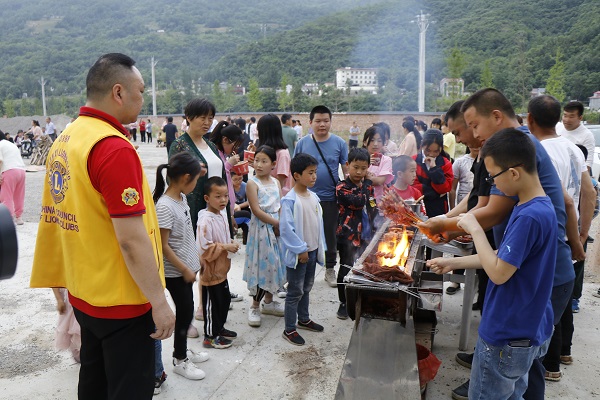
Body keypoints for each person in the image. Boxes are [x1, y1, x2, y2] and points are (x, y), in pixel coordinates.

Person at [29, 53, 175, 399]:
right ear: (119, 92)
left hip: (85, 291)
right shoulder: (112, 148)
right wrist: (158, 301)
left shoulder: (69, 137)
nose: (144, 97)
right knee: (128, 389)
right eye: (141, 90)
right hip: (121, 298)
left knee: (94, 384)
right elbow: (131, 240)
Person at [419, 88, 577, 399]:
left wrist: (455, 227)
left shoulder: (519, 173)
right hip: (526, 296)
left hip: (526, 301)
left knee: (519, 371)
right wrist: (452, 253)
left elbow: (493, 230)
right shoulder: (524, 191)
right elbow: (489, 221)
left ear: (495, 116)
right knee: (522, 369)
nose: (472, 135)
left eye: (473, 125)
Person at [527, 95, 595, 381]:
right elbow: (589, 193)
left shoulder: (539, 152)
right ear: (558, 119)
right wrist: (581, 233)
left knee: (547, 305)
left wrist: (572, 237)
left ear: (530, 120)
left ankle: (548, 365)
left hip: (553, 235)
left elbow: (565, 201)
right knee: (564, 299)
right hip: (571, 234)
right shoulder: (572, 149)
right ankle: (562, 356)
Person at [169, 98, 241, 321]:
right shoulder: (179, 145)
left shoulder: (210, 145)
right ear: (189, 118)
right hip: (193, 211)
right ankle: (195, 310)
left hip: (215, 211)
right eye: (202, 117)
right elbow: (175, 179)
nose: (207, 122)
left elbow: (220, 178)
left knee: (215, 259)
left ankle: (208, 305)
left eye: (210, 118)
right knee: (197, 260)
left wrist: (228, 207)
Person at [154, 152, 209, 381]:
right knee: (185, 312)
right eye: (195, 180)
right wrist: (185, 268)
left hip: (187, 268)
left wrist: (195, 261)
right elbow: (163, 245)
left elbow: (185, 235)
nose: (196, 185)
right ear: (186, 178)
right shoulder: (165, 206)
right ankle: (179, 360)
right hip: (175, 272)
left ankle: (183, 350)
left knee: (187, 310)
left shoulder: (182, 198)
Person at [294, 105, 348, 287]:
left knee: (330, 234)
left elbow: (346, 170)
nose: (322, 124)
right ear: (310, 123)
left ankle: (330, 269)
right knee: (303, 233)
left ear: (331, 122)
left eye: (326, 121)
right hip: (306, 198)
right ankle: (300, 269)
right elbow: (295, 171)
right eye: (318, 121)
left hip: (330, 198)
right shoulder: (302, 143)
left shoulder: (339, 143)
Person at [280, 153, 326, 346]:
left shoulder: (313, 197)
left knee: (307, 288)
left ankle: (304, 318)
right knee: (295, 291)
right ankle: (289, 329)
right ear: (297, 175)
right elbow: (286, 229)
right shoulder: (289, 200)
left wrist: (318, 248)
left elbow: (317, 225)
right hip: (300, 254)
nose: (314, 176)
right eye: (310, 173)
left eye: (315, 172)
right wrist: (300, 249)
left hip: (313, 251)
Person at [244, 145, 286, 327]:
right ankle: (254, 306)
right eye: (256, 160)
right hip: (262, 229)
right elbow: (256, 209)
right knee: (262, 267)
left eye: (264, 161)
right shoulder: (252, 183)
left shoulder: (276, 182)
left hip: (276, 228)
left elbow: (280, 204)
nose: (259, 165)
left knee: (275, 265)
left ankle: (268, 301)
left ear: (273, 164)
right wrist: (276, 223)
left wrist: (281, 222)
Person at [197, 177, 240, 350]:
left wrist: (230, 242)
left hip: (222, 270)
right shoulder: (205, 220)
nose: (223, 200)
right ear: (207, 198)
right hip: (210, 271)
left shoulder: (221, 214)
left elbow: (222, 236)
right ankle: (210, 336)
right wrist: (225, 246)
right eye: (218, 196)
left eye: (226, 196)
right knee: (211, 304)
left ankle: (219, 328)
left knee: (223, 301)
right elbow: (204, 248)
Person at [335, 148, 376, 319]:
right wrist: (367, 184)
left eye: (363, 168)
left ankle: (362, 298)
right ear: (347, 165)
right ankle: (343, 302)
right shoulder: (342, 187)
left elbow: (372, 205)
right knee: (346, 267)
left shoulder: (368, 187)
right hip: (348, 235)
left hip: (366, 234)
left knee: (365, 267)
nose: (359, 172)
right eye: (356, 167)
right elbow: (359, 202)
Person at [412, 129, 454, 217]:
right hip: (418, 206)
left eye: (436, 151)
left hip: (438, 208)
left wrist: (434, 168)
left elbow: (445, 188)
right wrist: (436, 194)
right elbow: (413, 186)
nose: (431, 154)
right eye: (428, 150)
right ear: (422, 145)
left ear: (441, 149)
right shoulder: (413, 161)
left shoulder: (445, 163)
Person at [209, 120, 244, 226]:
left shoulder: (222, 154)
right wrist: (229, 164)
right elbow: (216, 175)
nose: (236, 149)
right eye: (235, 146)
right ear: (225, 140)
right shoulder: (214, 153)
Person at [251, 114, 293, 196]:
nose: (257, 132)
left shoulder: (282, 153)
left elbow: (280, 182)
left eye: (259, 130)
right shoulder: (268, 151)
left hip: (276, 199)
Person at [556, 100, 595, 173]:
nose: (567, 120)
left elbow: (587, 166)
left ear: (580, 118)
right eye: (565, 115)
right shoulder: (557, 127)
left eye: (571, 116)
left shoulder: (587, 136)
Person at [0, 131, 26, 225]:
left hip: (9, 171)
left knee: (6, 196)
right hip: (21, 170)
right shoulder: (11, 144)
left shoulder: (0, 145)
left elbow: (0, 161)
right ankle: (19, 218)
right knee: (19, 195)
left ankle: (9, 218)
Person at [363, 125, 394, 204]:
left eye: (379, 141)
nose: (376, 144)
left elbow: (380, 181)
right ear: (365, 142)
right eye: (372, 140)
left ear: (384, 143)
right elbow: (351, 177)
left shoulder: (386, 160)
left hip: (377, 202)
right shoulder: (359, 158)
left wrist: (363, 177)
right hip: (359, 200)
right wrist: (367, 163)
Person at [52, 288, 81, 363]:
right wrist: (59, 300)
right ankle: (78, 350)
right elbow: (54, 281)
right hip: (70, 298)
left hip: (85, 296)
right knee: (72, 326)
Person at [231, 171, 251, 244]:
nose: (238, 181)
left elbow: (250, 201)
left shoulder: (245, 186)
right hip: (232, 210)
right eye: (235, 179)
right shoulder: (229, 187)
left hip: (242, 207)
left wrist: (239, 206)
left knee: (248, 213)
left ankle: (247, 239)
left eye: (240, 179)